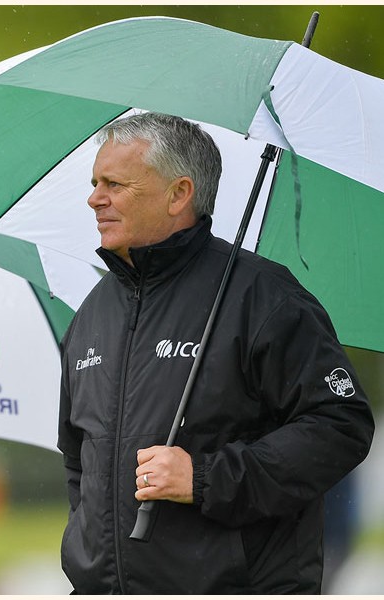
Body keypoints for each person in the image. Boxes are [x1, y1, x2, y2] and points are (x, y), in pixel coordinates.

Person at [58, 112, 375, 594]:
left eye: (114, 184)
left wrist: (206, 478)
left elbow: (339, 426)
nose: (94, 198)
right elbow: (79, 459)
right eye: (95, 183)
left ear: (178, 194)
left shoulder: (263, 296)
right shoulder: (93, 312)